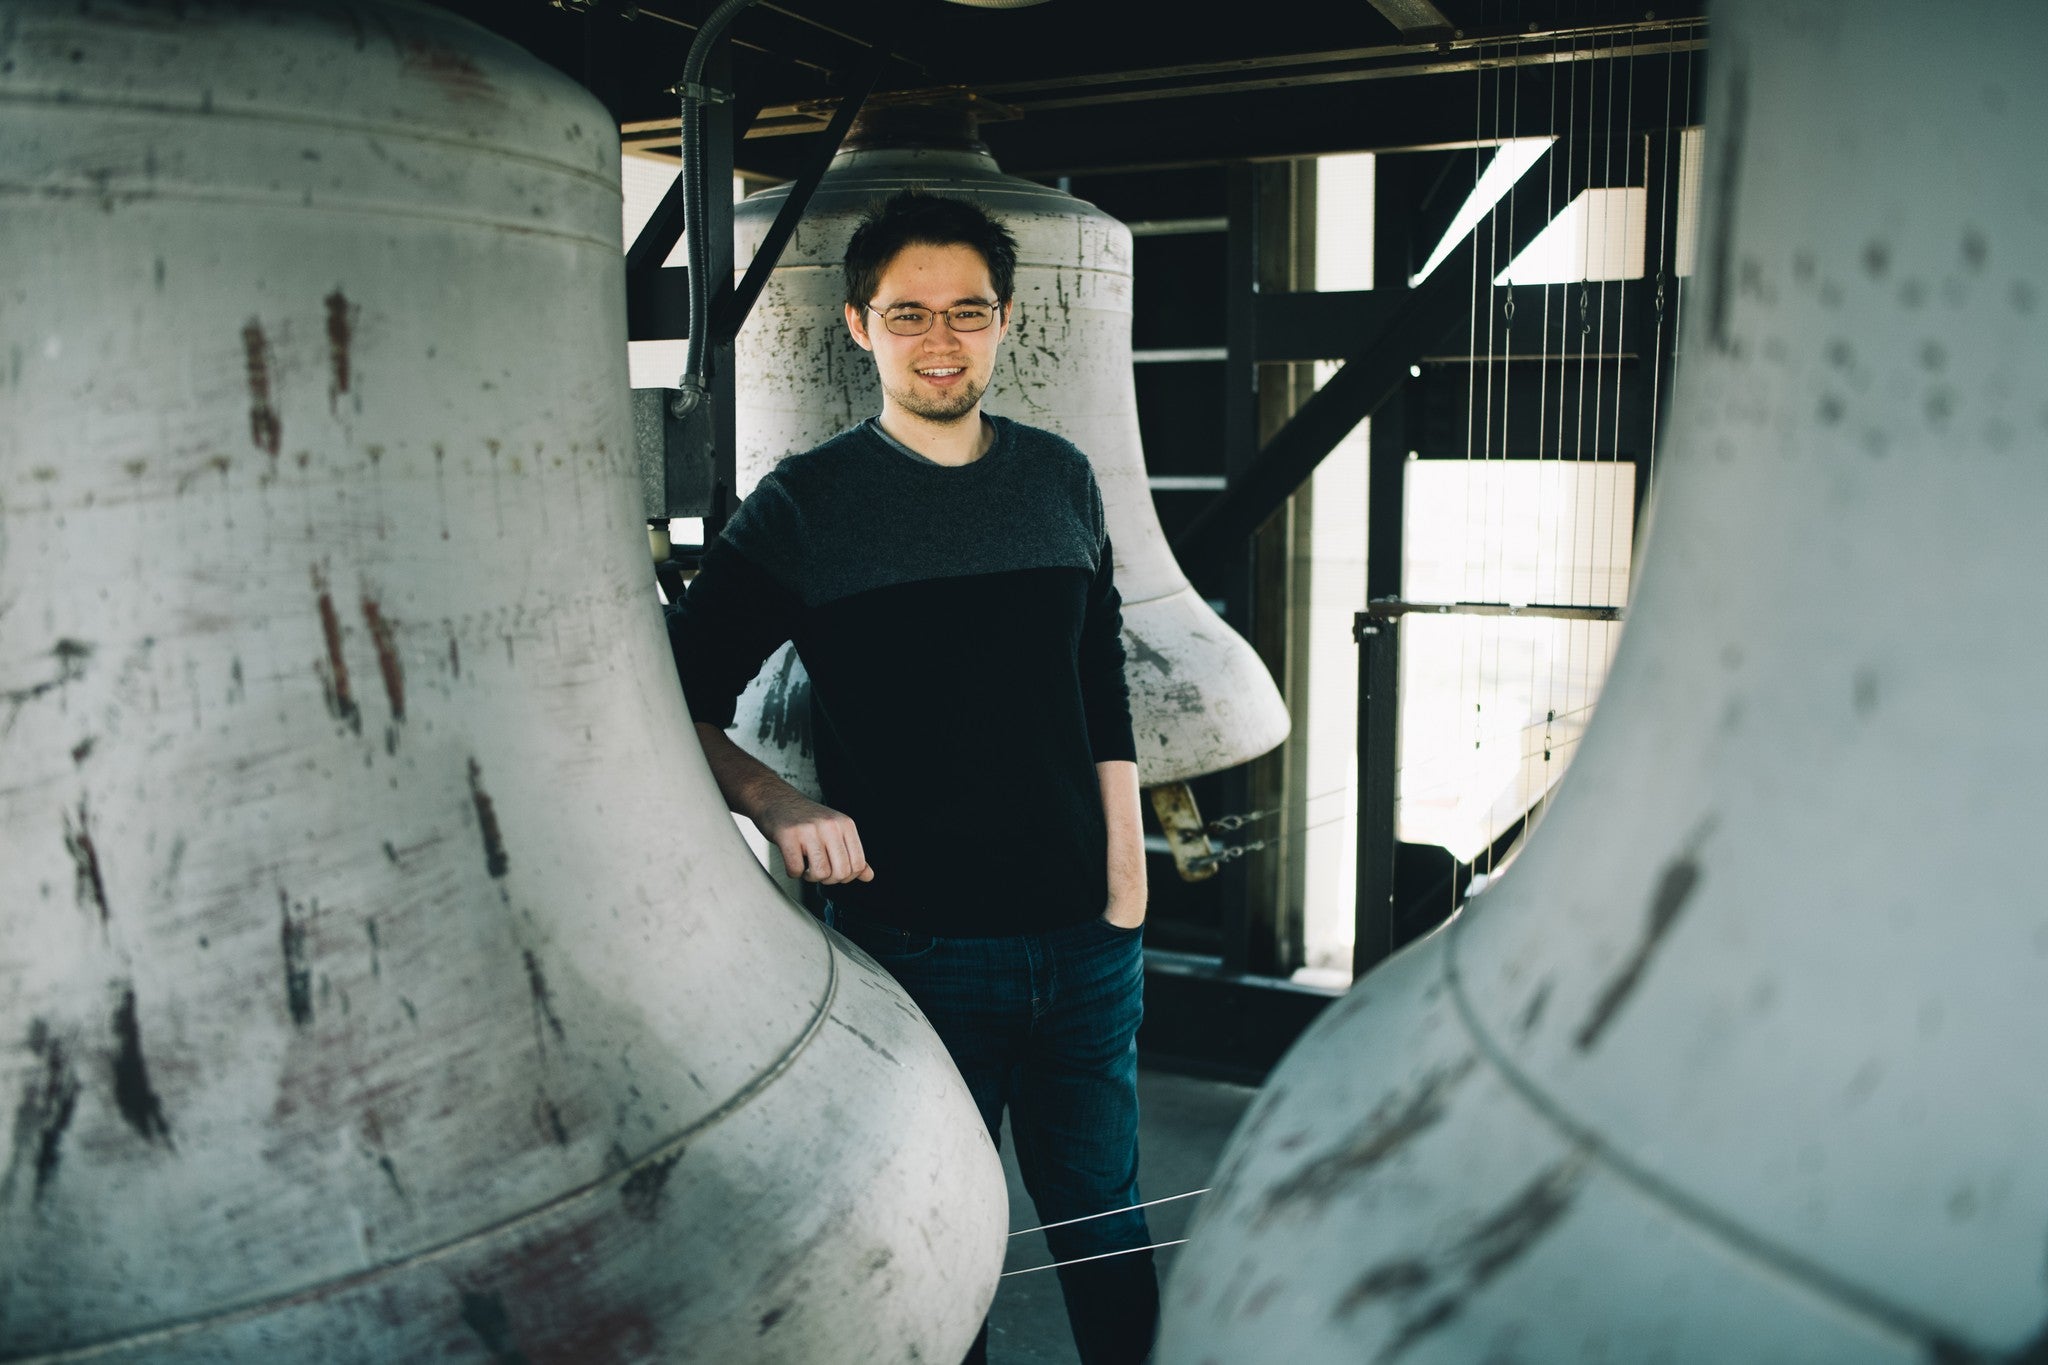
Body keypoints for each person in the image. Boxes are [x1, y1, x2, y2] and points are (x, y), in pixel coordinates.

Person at [665, 189, 1156, 1365]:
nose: (940, 340)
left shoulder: (1059, 477)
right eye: (908, 314)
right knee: (941, 1245)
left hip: (1089, 948)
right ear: (857, 326)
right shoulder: (807, 506)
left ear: (1003, 322)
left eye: (967, 312)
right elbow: (666, 697)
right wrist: (775, 801)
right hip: (917, 953)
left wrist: (1125, 886)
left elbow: (1099, 681)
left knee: (1107, 1227)